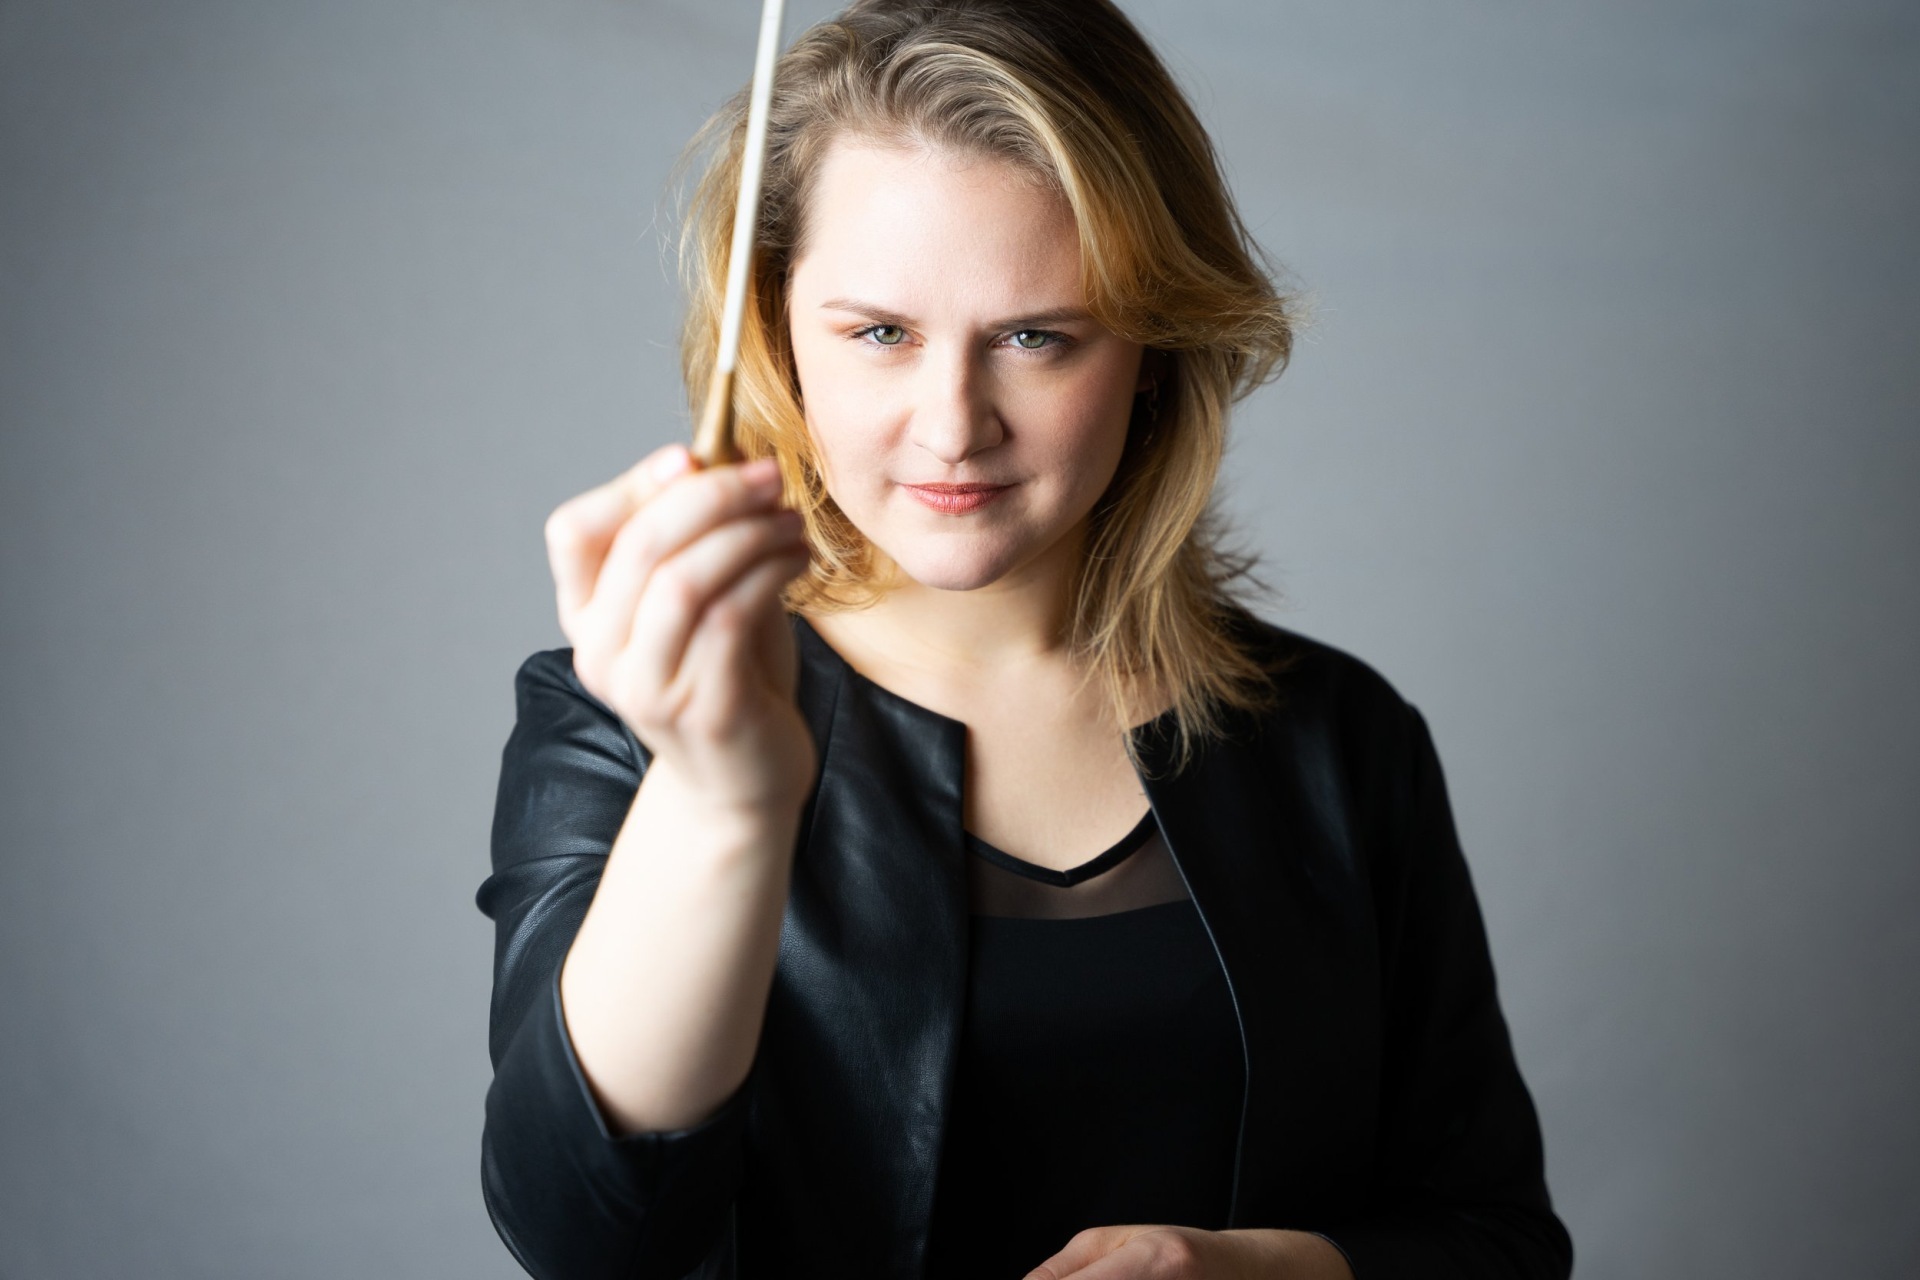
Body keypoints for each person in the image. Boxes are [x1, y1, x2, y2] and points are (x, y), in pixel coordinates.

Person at [475, 1, 1574, 1277]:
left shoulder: (1341, 737)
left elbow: (1495, 1241)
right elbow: (585, 1233)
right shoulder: (621, 721)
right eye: (879, 332)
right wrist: (724, 795)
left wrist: (1244, 1268)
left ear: (1154, 348)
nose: (953, 425)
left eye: (1036, 336)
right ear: (772, 333)